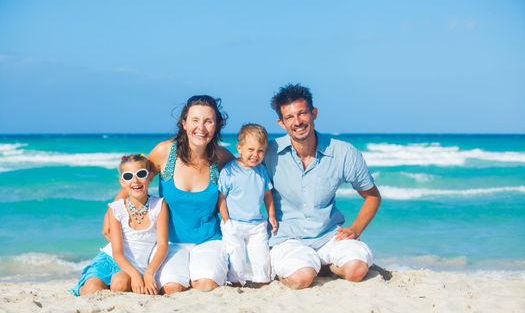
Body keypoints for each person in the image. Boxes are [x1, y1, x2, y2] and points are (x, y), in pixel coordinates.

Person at [102, 95, 234, 293]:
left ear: (217, 125)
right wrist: (111, 215)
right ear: (184, 123)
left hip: (209, 240)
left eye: (208, 121)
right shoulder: (165, 152)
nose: (201, 127)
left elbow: (248, 177)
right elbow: (135, 181)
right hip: (170, 244)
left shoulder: (221, 157)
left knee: (206, 286)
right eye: (195, 120)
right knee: (172, 289)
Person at [264, 84, 381, 289]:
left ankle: (321, 264)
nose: (298, 122)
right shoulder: (268, 154)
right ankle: (303, 266)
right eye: (290, 117)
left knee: (357, 270)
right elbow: (239, 174)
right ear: (281, 123)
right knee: (301, 278)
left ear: (314, 113)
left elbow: (372, 196)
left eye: (302, 113)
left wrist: (355, 228)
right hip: (287, 239)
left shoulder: (343, 152)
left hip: (329, 237)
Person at [71, 154, 169, 296]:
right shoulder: (116, 209)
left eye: (141, 174)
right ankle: (82, 288)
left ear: (150, 177)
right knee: (92, 289)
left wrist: (148, 273)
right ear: (122, 182)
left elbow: (162, 245)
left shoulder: (159, 206)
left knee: (119, 284)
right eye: (128, 176)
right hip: (110, 259)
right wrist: (135, 276)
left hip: (137, 266)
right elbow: (117, 252)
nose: (135, 180)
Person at [217, 124, 278, 286]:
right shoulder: (229, 171)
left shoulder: (262, 171)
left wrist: (271, 215)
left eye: (260, 151)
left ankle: (261, 281)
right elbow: (221, 198)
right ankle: (236, 282)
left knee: (262, 258)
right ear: (240, 148)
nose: (255, 155)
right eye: (250, 149)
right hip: (234, 224)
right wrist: (226, 221)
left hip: (257, 225)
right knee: (236, 258)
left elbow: (267, 194)